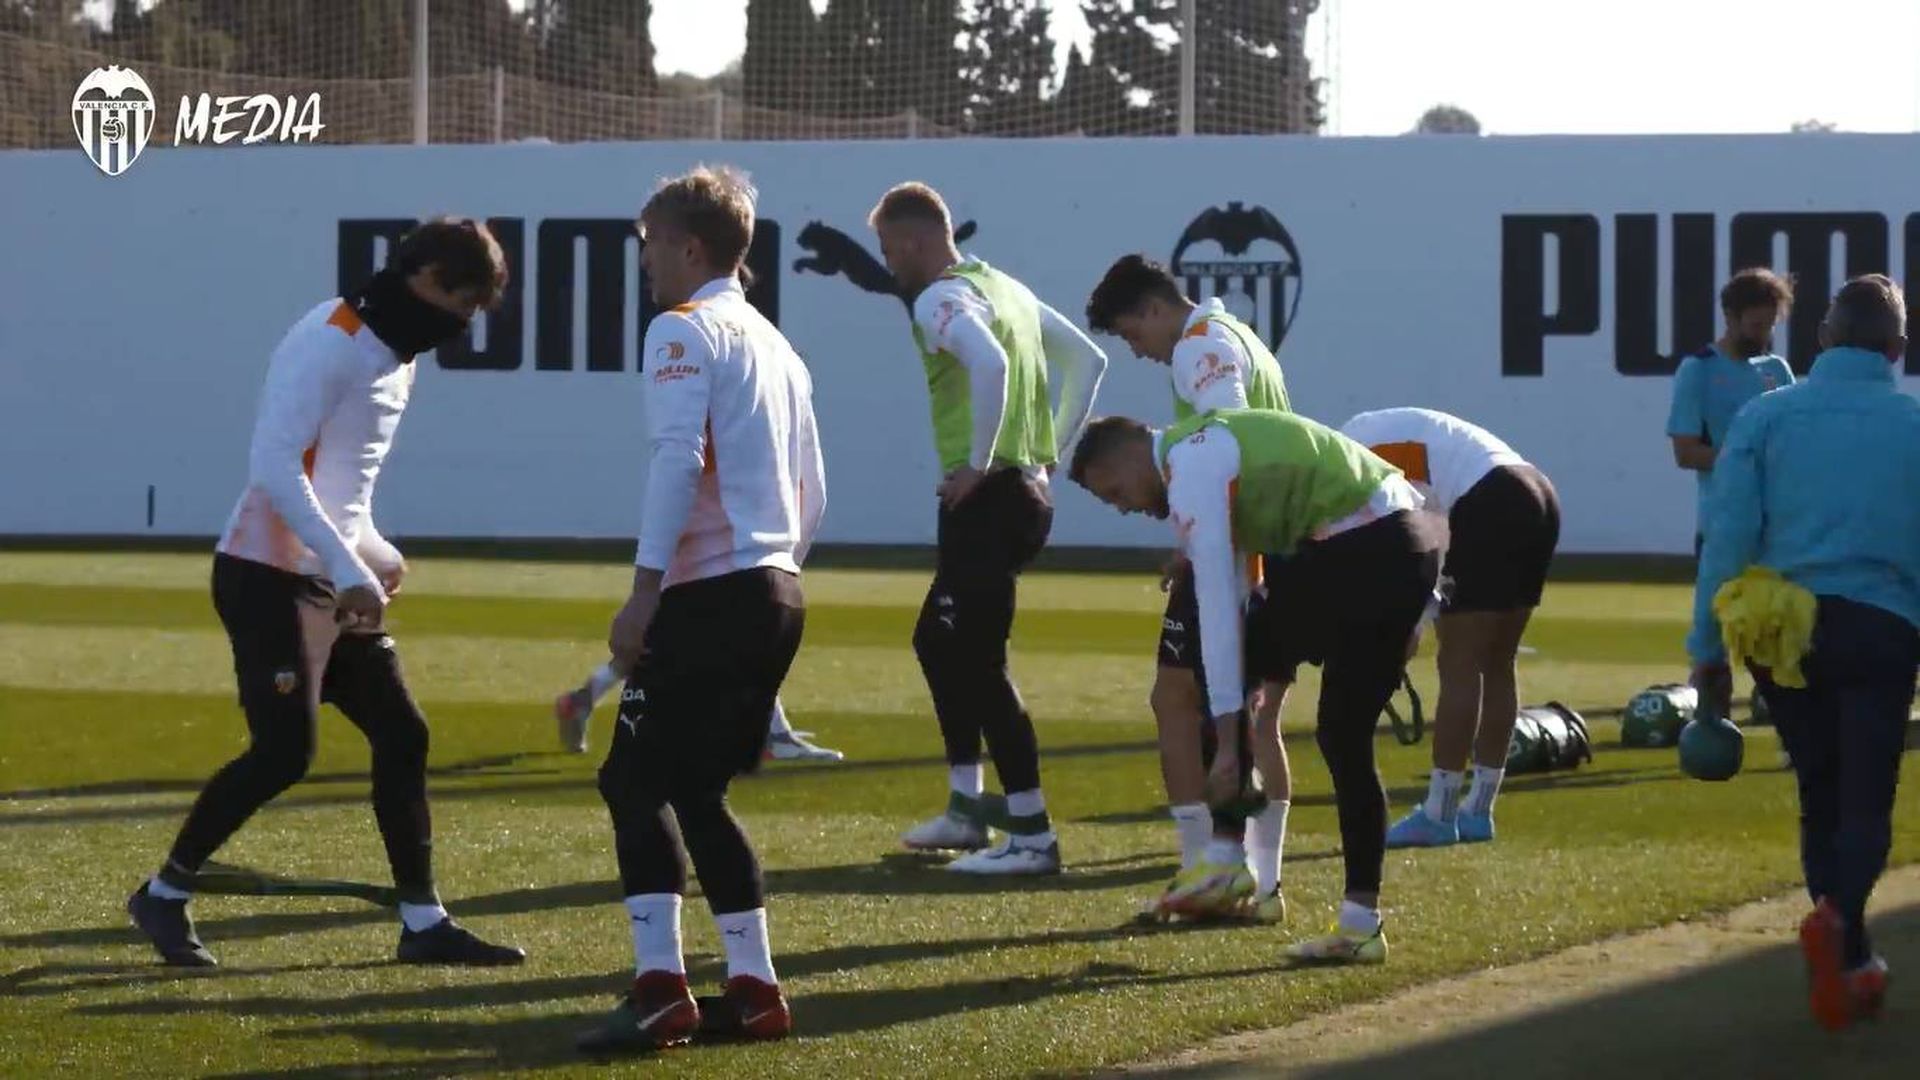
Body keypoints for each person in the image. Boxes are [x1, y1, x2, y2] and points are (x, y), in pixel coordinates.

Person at [125, 218, 525, 968]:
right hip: (265, 574)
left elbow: (346, 486)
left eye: (474, 308)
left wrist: (371, 551)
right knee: (284, 753)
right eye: (460, 300)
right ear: (422, 275)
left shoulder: (396, 359)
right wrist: (347, 567)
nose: (462, 321)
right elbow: (275, 466)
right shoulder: (331, 339)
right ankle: (164, 894)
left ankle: (423, 921)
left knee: (403, 735)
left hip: (328, 576)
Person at [576, 166, 826, 1054]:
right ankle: (754, 990)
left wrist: (645, 592)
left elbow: (677, 459)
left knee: (632, 782)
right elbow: (814, 489)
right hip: (776, 589)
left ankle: (660, 990)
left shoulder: (682, 329)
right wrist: (773, 573)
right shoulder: (778, 346)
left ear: (688, 247)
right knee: (695, 790)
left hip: (712, 591)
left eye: (650, 245)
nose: (645, 262)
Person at [1069, 408, 1442, 963]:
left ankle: (1233, 864)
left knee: (1282, 699)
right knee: (1336, 731)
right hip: (1394, 544)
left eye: (1115, 492)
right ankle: (1350, 919)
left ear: (1127, 457)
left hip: (1366, 549)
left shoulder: (1190, 467)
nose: (1124, 507)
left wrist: (1228, 743)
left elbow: (1220, 610)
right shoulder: (1200, 449)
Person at [1689, 274, 1920, 1032]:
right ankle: (1841, 927)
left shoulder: (1765, 416)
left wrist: (1708, 652)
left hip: (1784, 633)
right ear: (1897, 348)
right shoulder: (1913, 422)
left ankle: (1848, 953)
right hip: (1882, 626)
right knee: (1866, 803)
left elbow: (1727, 542)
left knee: (1820, 796)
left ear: (1821, 339)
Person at [868, 182, 1107, 875]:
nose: (887, 263)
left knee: (977, 659)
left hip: (988, 497)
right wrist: (1048, 454)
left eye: (888, 248)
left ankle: (1031, 833)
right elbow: (1088, 361)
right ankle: (967, 807)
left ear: (913, 240)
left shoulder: (938, 299)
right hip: (1022, 494)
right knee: (938, 642)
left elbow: (991, 363)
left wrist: (978, 464)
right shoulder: (1006, 289)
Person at [1084, 253, 1293, 915]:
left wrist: (1200, 539)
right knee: (1255, 716)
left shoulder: (1198, 349)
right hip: (1265, 543)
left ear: (1153, 308)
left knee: (1181, 699)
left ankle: (1209, 866)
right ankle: (1260, 884)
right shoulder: (1238, 336)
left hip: (1237, 552)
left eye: (1131, 334)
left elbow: (1228, 439)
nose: (1137, 351)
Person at [1337, 408, 1560, 847]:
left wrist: (1404, 627)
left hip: (1490, 498)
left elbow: (1412, 544)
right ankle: (1478, 810)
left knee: (1459, 662)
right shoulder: (1364, 439)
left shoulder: (1349, 462)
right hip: (1537, 491)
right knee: (1498, 662)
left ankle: (1439, 815)